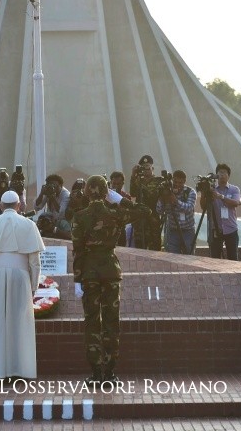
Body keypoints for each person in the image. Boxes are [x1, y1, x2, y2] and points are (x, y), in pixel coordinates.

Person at [72, 175, 151, 386]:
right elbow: (145, 211)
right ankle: (110, 373)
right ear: (107, 192)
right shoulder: (116, 214)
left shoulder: (80, 217)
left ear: (87, 192)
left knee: (92, 322)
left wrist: (77, 278)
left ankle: (96, 373)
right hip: (110, 271)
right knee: (111, 322)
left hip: (89, 273)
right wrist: (120, 200)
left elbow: (78, 251)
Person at [0, 190, 45, 380]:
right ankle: (19, 369)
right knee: (19, 323)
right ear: (19, 205)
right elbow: (34, 261)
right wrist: (34, 285)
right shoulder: (29, 225)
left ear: (1, 206)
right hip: (20, 276)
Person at [200, 162, 241, 261]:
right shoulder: (212, 189)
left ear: (228, 176)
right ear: (216, 175)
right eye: (220, 173)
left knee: (233, 259)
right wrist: (203, 194)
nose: (222, 175)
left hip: (231, 228)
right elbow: (203, 207)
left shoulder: (234, 189)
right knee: (215, 260)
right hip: (216, 229)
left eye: (224, 173)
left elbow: (236, 203)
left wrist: (221, 197)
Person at [156, 170, 197, 254]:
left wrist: (175, 201)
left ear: (184, 181)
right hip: (173, 230)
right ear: (172, 180)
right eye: (175, 182)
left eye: (180, 182)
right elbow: (159, 210)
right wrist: (161, 197)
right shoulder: (167, 190)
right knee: (173, 257)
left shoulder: (190, 192)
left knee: (189, 256)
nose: (177, 184)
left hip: (188, 230)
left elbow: (189, 208)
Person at [129, 155, 163, 250]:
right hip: (140, 219)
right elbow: (133, 193)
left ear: (152, 168)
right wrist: (133, 175)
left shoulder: (159, 181)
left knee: (155, 247)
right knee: (139, 247)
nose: (146, 169)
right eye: (143, 167)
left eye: (148, 166)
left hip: (153, 219)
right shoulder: (138, 181)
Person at [108, 172, 131, 247]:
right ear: (110, 182)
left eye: (119, 184)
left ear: (122, 184)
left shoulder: (126, 197)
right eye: (114, 184)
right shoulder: (105, 195)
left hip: (120, 229)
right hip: (107, 229)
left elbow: (128, 214)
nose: (116, 186)